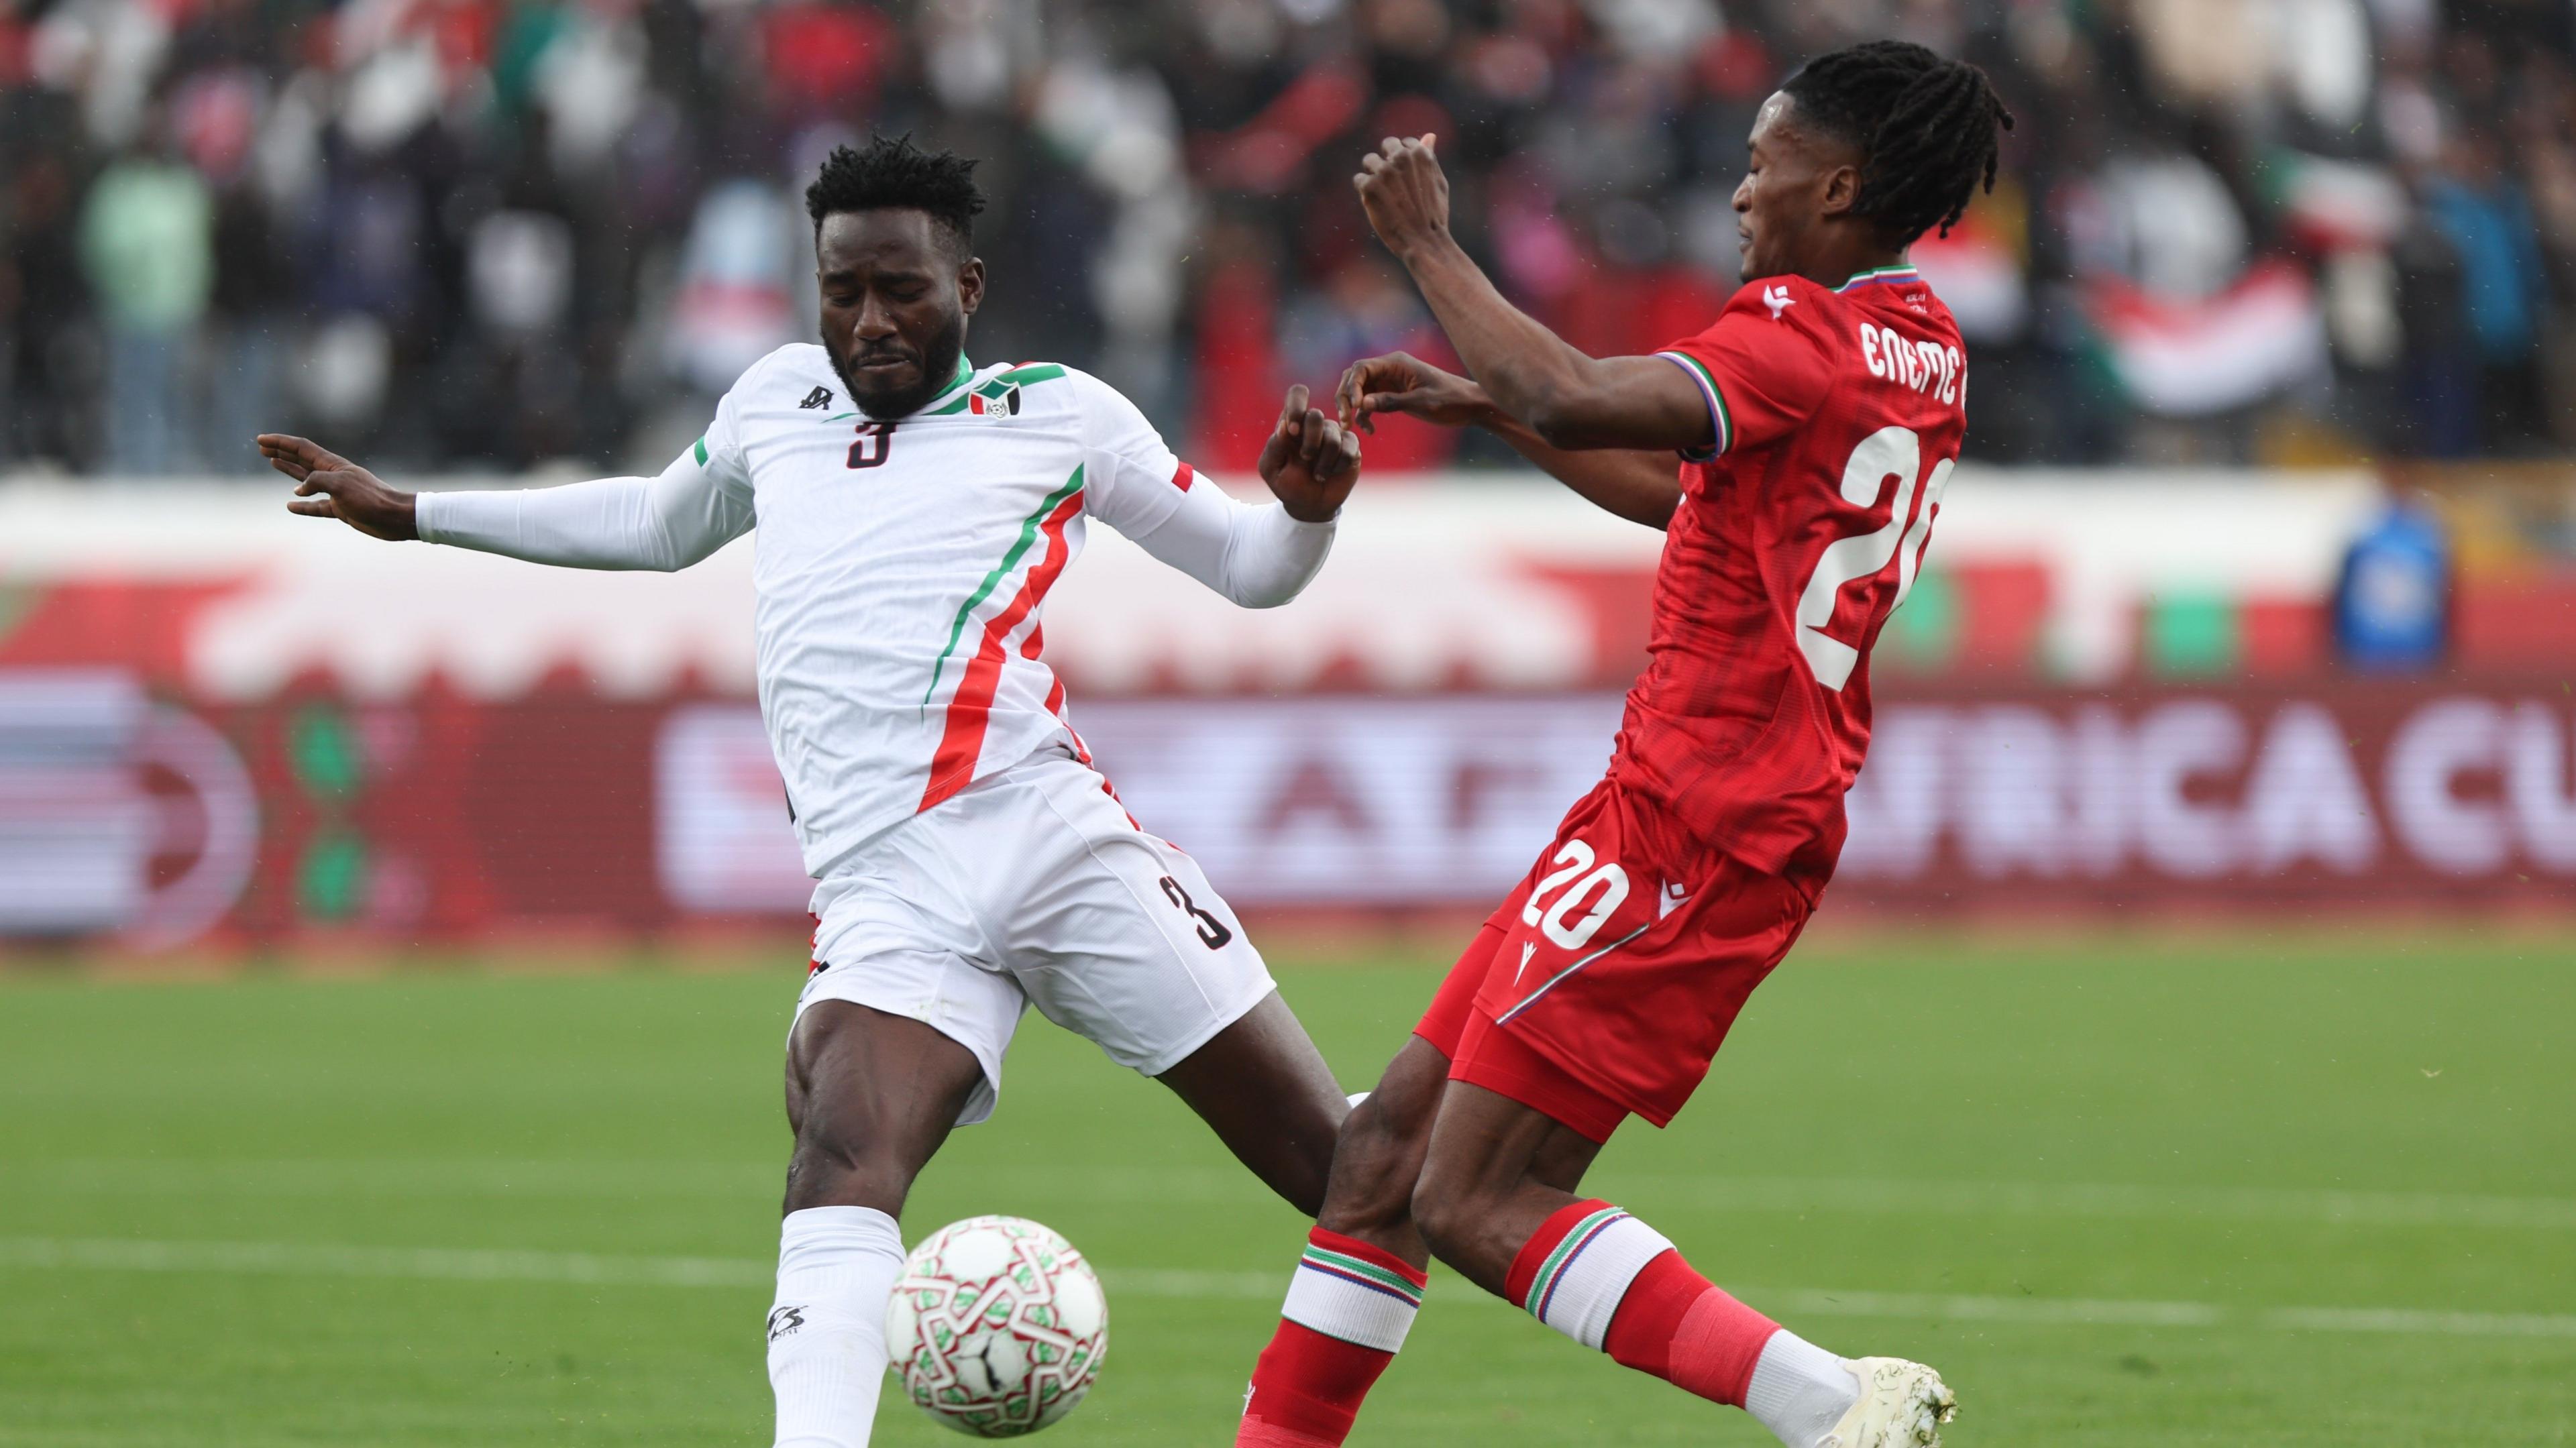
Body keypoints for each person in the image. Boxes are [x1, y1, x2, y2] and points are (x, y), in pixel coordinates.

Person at [260, 135, 1363, 1448]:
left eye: (901, 289)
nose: (869, 321)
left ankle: (1547, 1253)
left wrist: (1305, 516)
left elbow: (1248, 568)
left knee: (1348, 1175)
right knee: (840, 1155)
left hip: (1049, 841)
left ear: (967, 286)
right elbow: (656, 524)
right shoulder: (775, 401)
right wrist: (417, 512)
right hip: (885, 886)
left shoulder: (1059, 414)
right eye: (842, 291)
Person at [1232, 42, 2011, 1448]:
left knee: (1472, 1198)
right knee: (1383, 1154)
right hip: (1683, 807)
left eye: (1764, 163)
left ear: (1838, 187)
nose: (1741, 191)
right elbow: (1683, 491)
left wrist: (1429, 248)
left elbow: (1581, 394)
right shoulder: (1918, 338)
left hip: (1701, 824)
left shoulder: (1798, 328)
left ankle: (1833, 1405)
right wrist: (1493, 404)